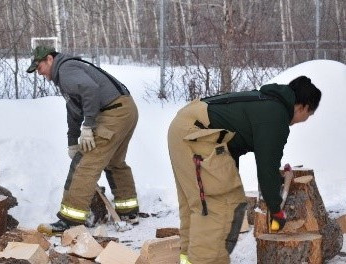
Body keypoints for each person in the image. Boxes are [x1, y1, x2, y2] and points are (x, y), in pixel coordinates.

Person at [168, 76, 321, 264]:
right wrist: (276, 209)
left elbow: (232, 143)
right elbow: (266, 165)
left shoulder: (265, 102)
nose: (305, 120)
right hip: (195, 133)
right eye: (309, 115)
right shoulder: (275, 115)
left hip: (185, 126)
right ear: (303, 107)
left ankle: (188, 259)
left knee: (196, 204)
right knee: (216, 206)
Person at [26, 45, 139, 234]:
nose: (39, 73)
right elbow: (74, 108)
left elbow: (90, 90)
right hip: (126, 109)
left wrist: (89, 125)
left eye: (39, 68)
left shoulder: (66, 70)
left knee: (85, 164)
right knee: (114, 162)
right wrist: (72, 140)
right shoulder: (67, 72)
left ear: (49, 59)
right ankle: (127, 210)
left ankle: (71, 220)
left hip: (112, 113)